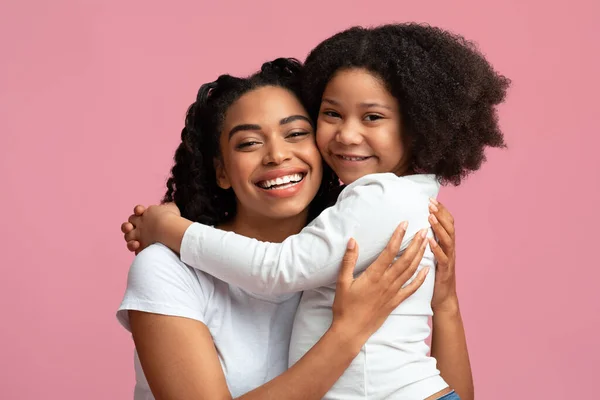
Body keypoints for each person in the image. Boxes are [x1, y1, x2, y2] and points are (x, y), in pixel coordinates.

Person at [125, 23, 507, 399]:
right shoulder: (168, 269)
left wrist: (444, 302)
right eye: (249, 143)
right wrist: (348, 332)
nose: (277, 154)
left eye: (296, 133)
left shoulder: (343, 250)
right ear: (221, 170)